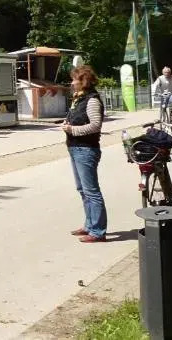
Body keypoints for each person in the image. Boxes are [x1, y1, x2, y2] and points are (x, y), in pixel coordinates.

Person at [61, 64, 108, 243]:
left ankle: (98, 231)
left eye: (75, 80)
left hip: (86, 149)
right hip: (75, 148)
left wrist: (72, 129)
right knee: (83, 190)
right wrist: (67, 123)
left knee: (91, 191)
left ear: (84, 81)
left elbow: (95, 125)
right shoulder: (79, 98)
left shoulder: (92, 100)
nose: (72, 83)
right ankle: (89, 225)